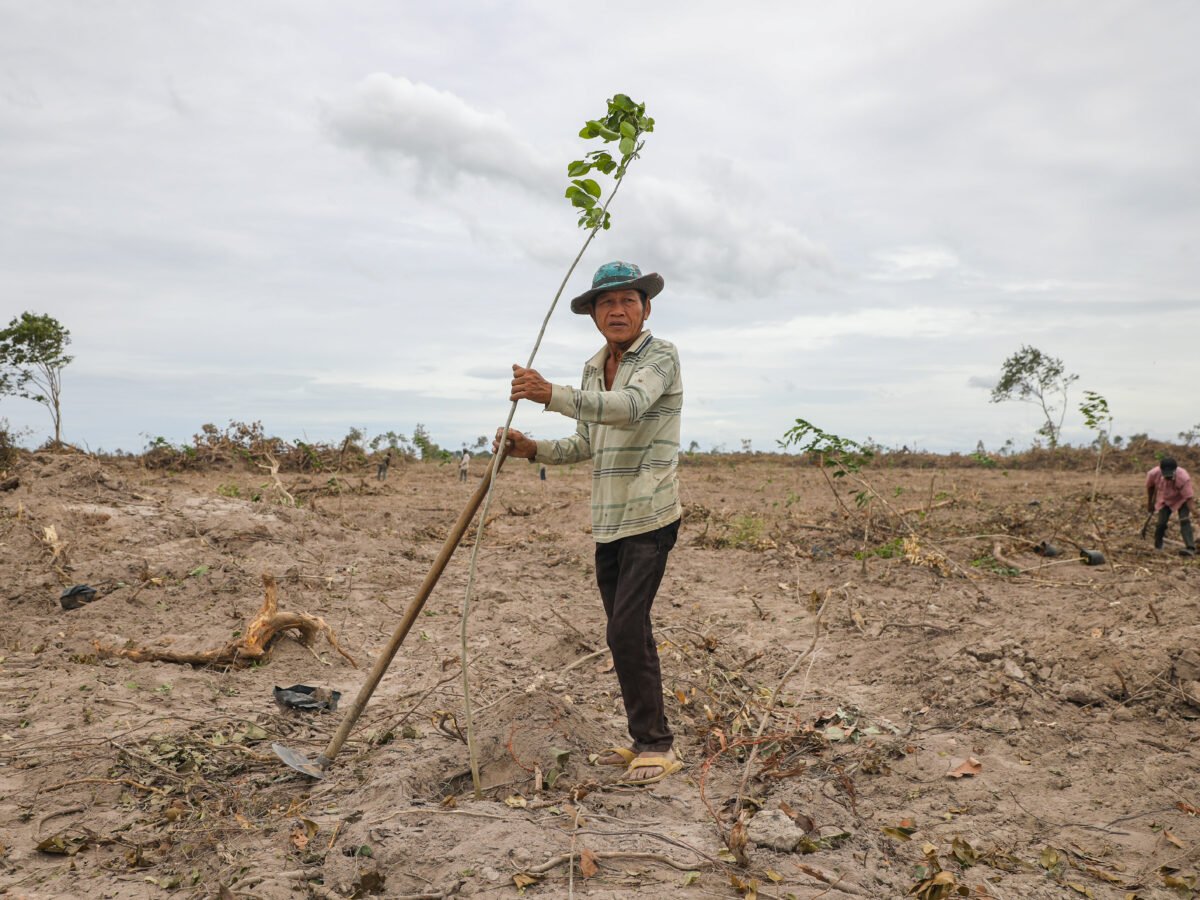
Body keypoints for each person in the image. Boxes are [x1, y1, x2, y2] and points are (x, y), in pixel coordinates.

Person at [494, 261, 683, 785]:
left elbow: (628, 407)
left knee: (624, 629)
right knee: (629, 633)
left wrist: (547, 394)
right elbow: (586, 442)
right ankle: (645, 738)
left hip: (650, 514)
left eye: (628, 301)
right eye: (606, 303)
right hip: (608, 520)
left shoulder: (660, 357)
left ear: (645, 309)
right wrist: (531, 449)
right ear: (594, 314)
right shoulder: (591, 366)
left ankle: (657, 744)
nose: (617, 311)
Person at [1146, 457, 1196, 556]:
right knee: (1161, 523)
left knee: (1184, 520)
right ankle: (1158, 545)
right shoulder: (1153, 474)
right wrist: (1150, 503)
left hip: (1181, 499)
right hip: (1165, 499)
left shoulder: (1183, 477)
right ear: (1161, 470)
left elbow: (1188, 498)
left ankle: (1190, 548)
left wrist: (1195, 512)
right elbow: (1150, 487)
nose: (1168, 477)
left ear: (1175, 470)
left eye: (1170, 475)